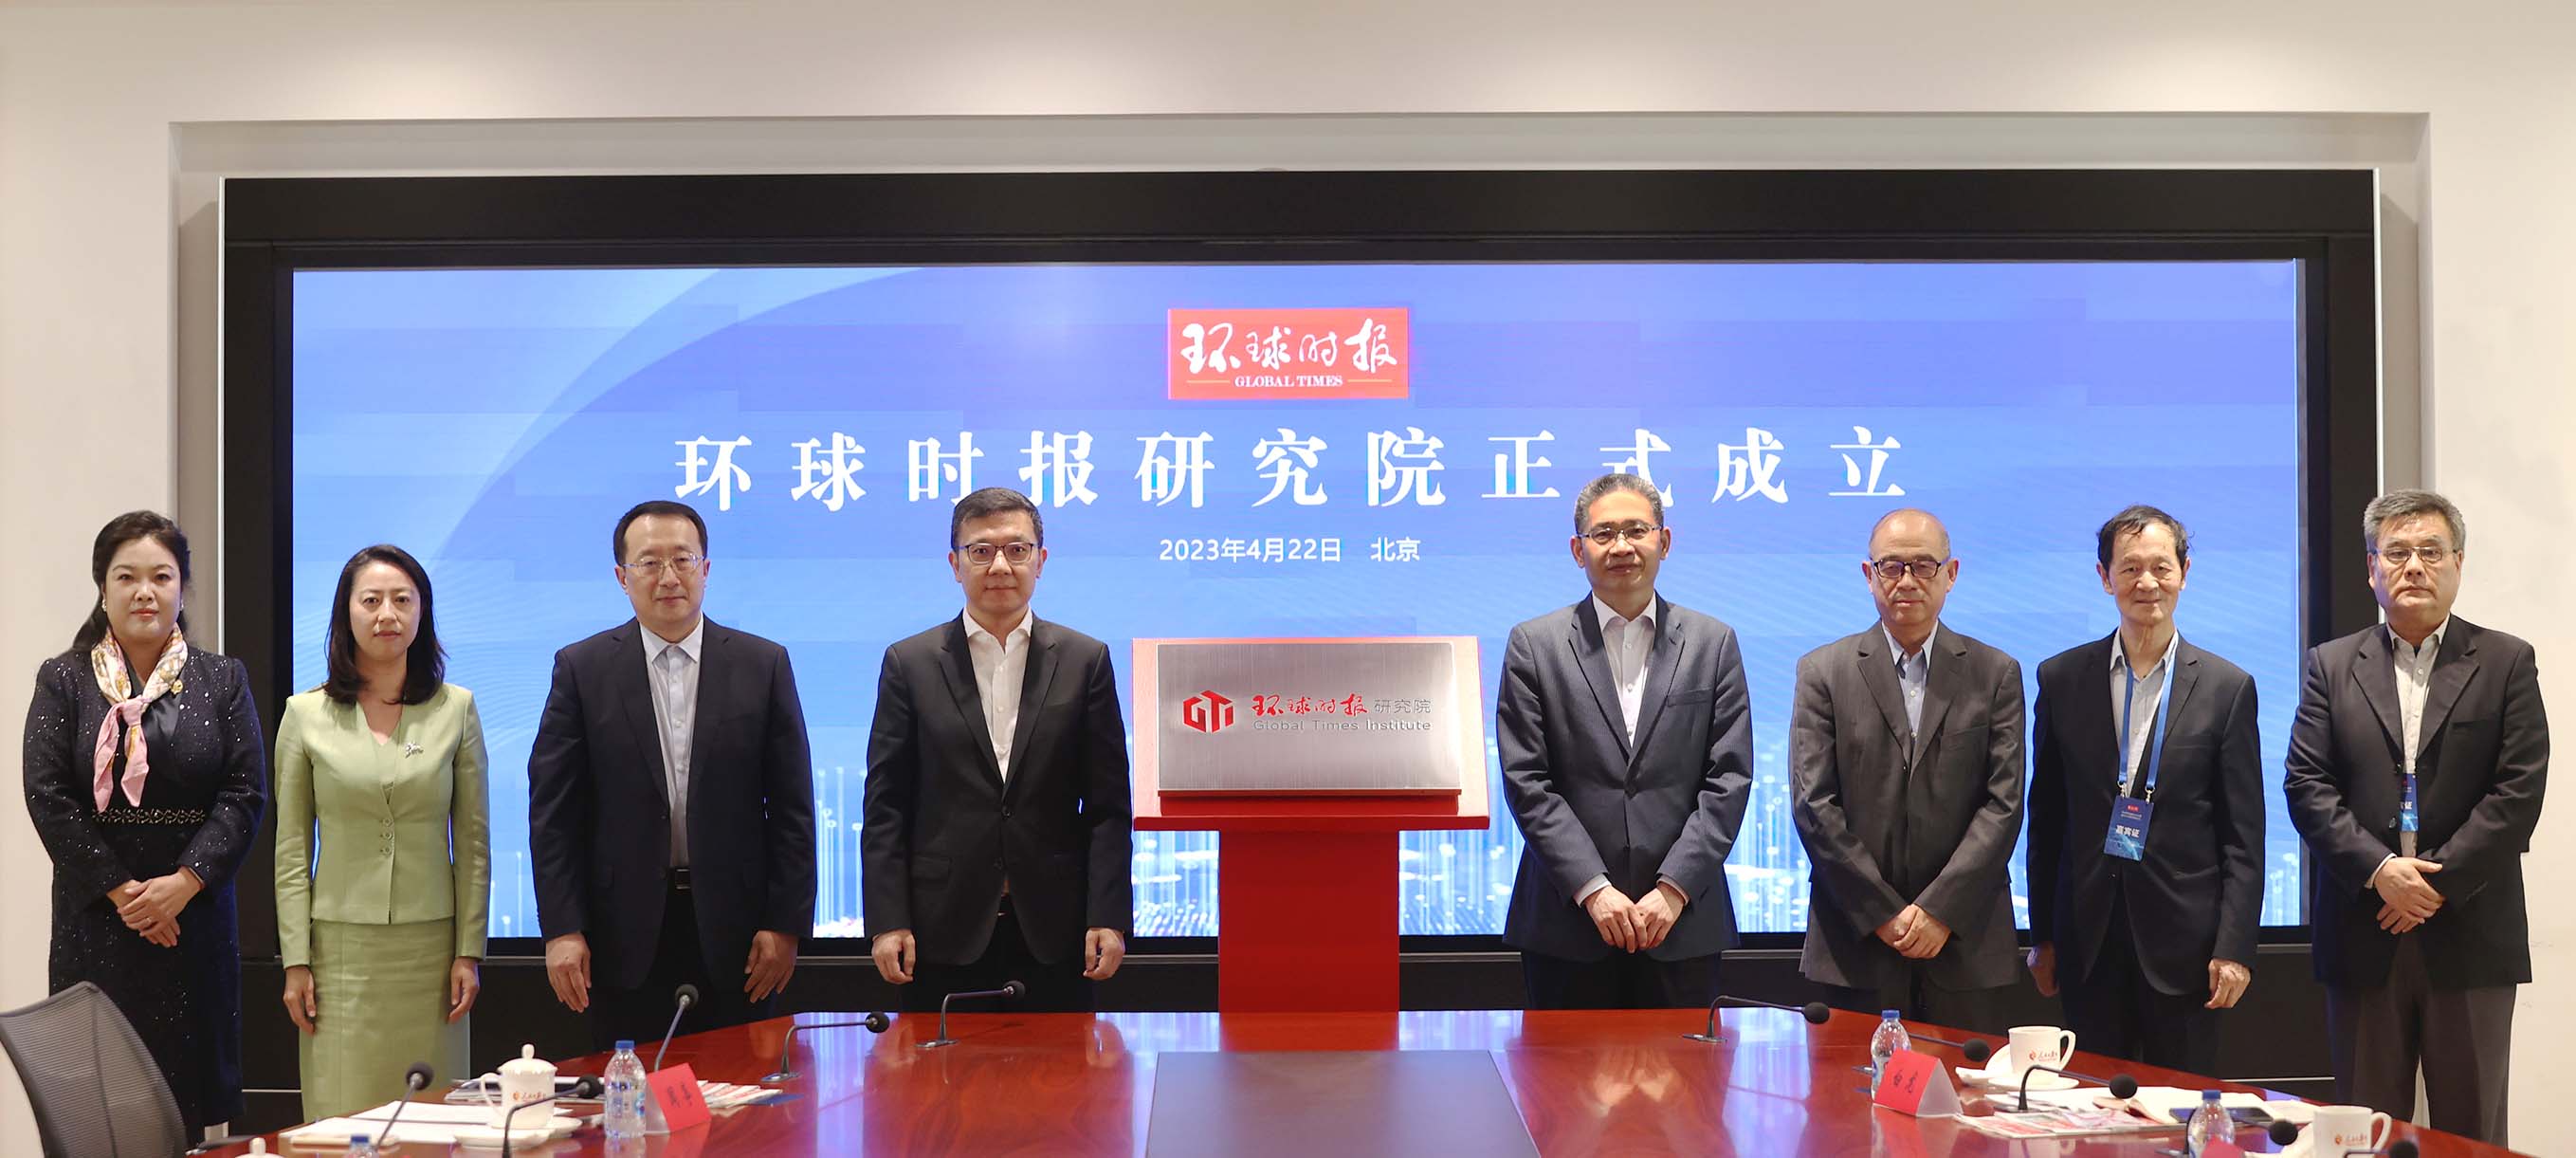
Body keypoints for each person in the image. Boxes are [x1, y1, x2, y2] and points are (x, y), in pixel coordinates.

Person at [2285, 488, 2546, 1146]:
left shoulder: (2505, 660)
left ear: (2457, 562)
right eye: (2395, 552)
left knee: (2472, 1131)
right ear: (2370, 566)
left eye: (2430, 551)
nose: (2413, 567)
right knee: (2366, 1132)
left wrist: (2431, 883)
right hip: (2363, 925)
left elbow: (2516, 793)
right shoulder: (2331, 664)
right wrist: (2379, 872)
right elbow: (2305, 784)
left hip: (2468, 929)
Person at [528, 500, 816, 1047]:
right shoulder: (582, 669)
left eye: (682, 560)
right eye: (648, 563)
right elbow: (554, 813)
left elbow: (792, 808)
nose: (668, 578)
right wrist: (563, 928)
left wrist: (786, 924)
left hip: (740, 935)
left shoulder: (763, 664)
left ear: (706, 568)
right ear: (622, 576)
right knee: (629, 1105)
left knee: (746, 1105)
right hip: (620, 936)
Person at [20, 511, 265, 1131]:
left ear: (183, 586)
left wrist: (182, 884)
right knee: (100, 1110)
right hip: (99, 919)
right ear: (103, 588)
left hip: (195, 919)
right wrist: (124, 891)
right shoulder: (65, 679)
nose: (144, 591)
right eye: (126, 576)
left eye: (161, 575)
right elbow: (48, 795)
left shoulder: (223, 679)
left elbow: (244, 793)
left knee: (190, 1109)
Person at [864, 487, 1133, 1012]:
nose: (1000, 565)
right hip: (940, 928)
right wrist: (887, 920)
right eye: (981, 551)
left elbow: (1107, 807)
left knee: (1064, 1087)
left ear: (1041, 560)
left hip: (1057, 929)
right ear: (955, 564)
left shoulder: (1085, 660)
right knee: (938, 1087)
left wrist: (1109, 916)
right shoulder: (910, 663)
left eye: (1017, 549)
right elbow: (885, 807)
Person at [1494, 473, 1755, 1008]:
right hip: (1567, 925)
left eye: (1636, 530)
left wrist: (1673, 889)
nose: (1621, 546)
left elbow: (1729, 778)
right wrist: (1594, 890)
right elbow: (1527, 781)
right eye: (1604, 533)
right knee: (1562, 1092)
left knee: (1686, 1091)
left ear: (1664, 540)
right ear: (1577, 549)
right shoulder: (1533, 645)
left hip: (1681, 923)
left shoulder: (1713, 643)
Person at [2023, 505, 2261, 1074]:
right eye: (2129, 568)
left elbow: (2243, 836)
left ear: (2184, 572)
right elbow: (2047, 820)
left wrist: (2234, 948)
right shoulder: (2061, 679)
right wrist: (2045, 937)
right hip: (2087, 941)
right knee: (2090, 1109)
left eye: (2161, 566)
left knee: (2178, 1113)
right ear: (2104, 577)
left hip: (2188, 950)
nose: (2146, 583)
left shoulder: (2227, 688)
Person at [273, 544, 488, 1118]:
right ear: (347, 613)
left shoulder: (457, 709)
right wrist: (296, 959)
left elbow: (472, 845)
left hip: (432, 949)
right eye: (371, 601)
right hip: (339, 951)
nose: (386, 614)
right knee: (344, 1113)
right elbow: (292, 850)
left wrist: (469, 951)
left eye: (402, 600)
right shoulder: (304, 714)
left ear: (423, 613)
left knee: (433, 1115)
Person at [1790, 508, 2023, 1032]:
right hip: (1854, 944)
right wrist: (1881, 912)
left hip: (1965, 943)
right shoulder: (1822, 671)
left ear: (1952, 573)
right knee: (1845, 1107)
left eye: (1924, 565)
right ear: (1869, 576)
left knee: (1968, 1108)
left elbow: (2003, 804)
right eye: (1892, 567)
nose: (1908, 581)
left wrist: (1940, 910)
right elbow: (1813, 803)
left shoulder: (1996, 673)